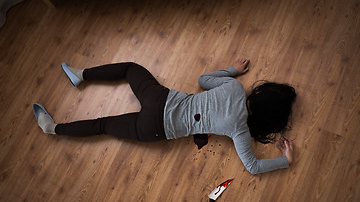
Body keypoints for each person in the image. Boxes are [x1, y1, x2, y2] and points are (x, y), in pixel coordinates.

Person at [33, 59, 296, 175]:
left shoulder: (235, 87)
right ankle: (53, 128)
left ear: (262, 93)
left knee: (130, 69)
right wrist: (285, 161)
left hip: (160, 99)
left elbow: (202, 80)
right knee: (103, 125)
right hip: (155, 129)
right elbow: (253, 168)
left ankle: (81, 74)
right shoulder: (239, 130)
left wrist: (232, 70)